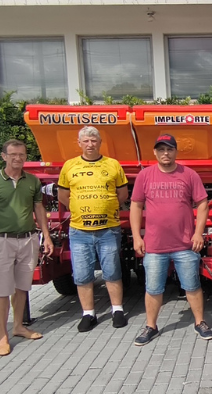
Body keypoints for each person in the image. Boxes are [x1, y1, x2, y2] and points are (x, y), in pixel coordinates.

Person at [0, 139, 55, 356]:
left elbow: (39, 210)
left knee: (22, 286)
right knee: (1, 290)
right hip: (1, 239)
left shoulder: (33, 181)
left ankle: (18, 326)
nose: (18, 158)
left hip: (28, 238)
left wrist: (46, 237)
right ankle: (2, 335)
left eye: (22, 154)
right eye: (13, 154)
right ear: (4, 156)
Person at [130, 134, 212, 345]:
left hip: (184, 244)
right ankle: (151, 326)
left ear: (176, 152)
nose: (165, 153)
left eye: (169, 149)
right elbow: (136, 206)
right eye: (161, 149)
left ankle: (200, 322)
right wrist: (136, 237)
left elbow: (202, 204)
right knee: (153, 288)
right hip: (155, 245)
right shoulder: (145, 176)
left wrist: (198, 232)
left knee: (192, 286)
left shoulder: (189, 175)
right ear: (155, 152)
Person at [57, 126, 129, 332]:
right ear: (79, 143)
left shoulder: (112, 165)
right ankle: (88, 314)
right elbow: (64, 196)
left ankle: (117, 310)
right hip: (79, 231)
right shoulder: (69, 166)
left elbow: (122, 194)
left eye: (94, 141)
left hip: (108, 229)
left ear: (99, 143)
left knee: (112, 270)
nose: (90, 144)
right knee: (82, 274)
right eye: (86, 141)